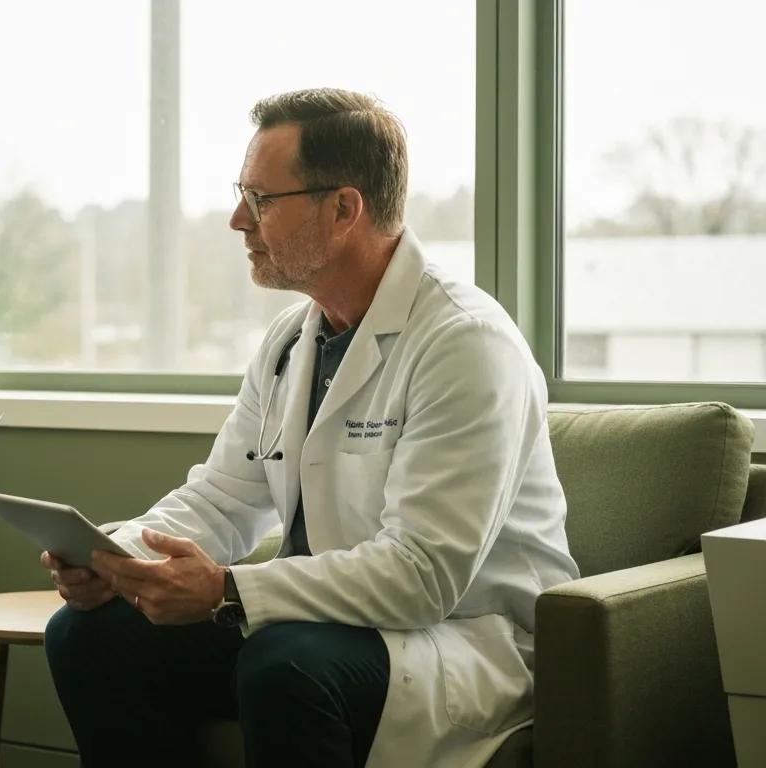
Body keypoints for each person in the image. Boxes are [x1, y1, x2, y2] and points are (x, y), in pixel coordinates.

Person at [42, 88, 580, 767]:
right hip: (318, 628)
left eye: (262, 200)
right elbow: (223, 498)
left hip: (463, 639)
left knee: (283, 663)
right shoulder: (292, 341)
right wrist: (115, 558)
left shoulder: (465, 344)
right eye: (243, 194)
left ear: (344, 209)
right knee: (88, 635)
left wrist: (228, 591)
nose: (239, 219)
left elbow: (423, 576)